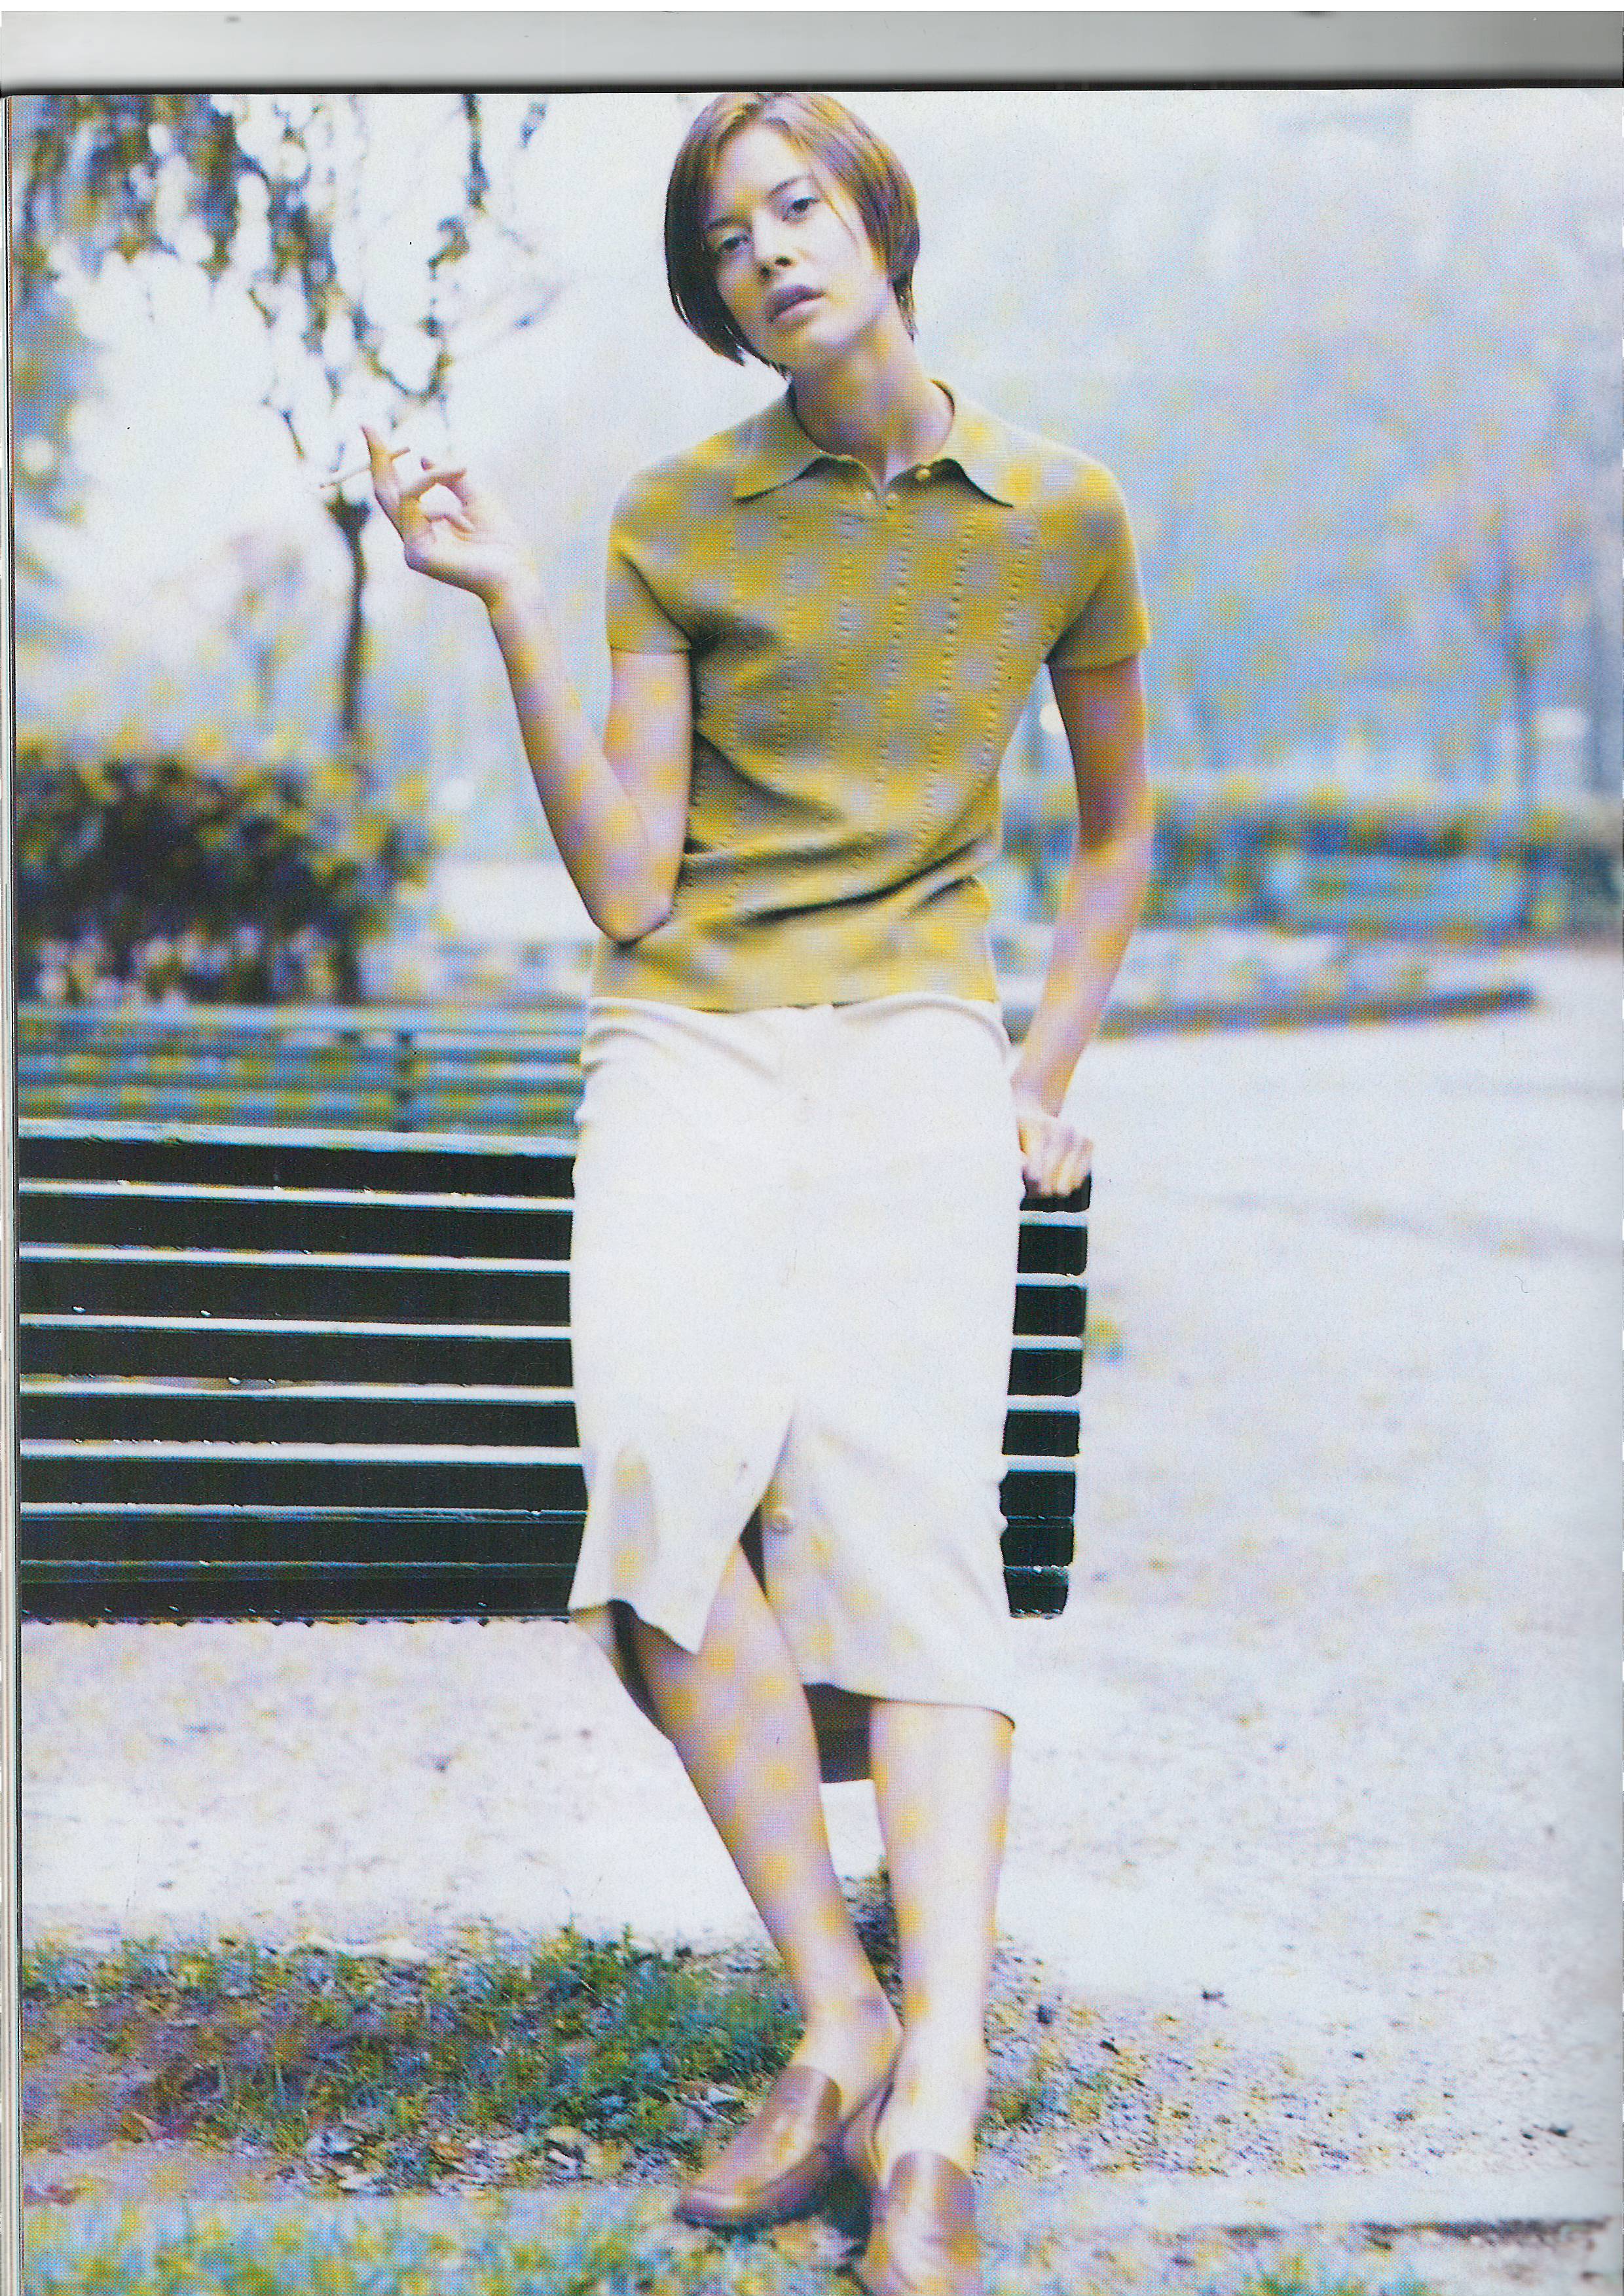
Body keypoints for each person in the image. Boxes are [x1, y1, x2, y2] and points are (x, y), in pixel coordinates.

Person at [366, 88, 1151, 2296]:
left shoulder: (1064, 513)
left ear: (879, 220)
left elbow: (1116, 833)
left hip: (916, 1039)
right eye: (728, 239)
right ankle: (841, 2012)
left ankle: (940, 2100)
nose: (772, 252)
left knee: (915, 1528)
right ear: (714, 299)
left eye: (798, 206)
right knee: (656, 1482)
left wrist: (1039, 1069)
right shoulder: (674, 518)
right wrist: (516, 603)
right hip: (690, 1034)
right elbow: (632, 879)